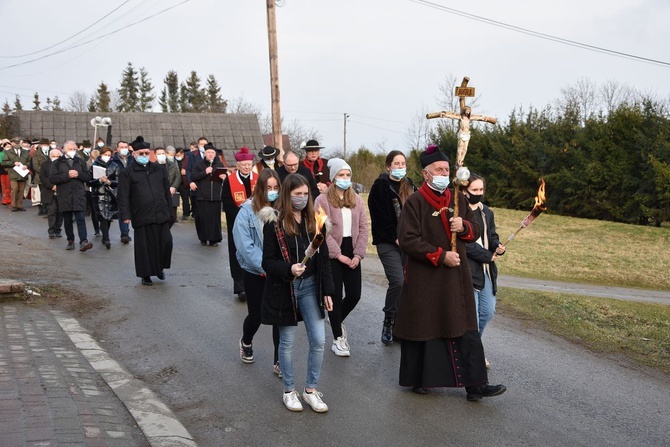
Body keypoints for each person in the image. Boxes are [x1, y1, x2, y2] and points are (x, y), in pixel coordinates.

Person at [394, 144, 506, 401]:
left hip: (456, 277)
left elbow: (475, 230)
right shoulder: (415, 202)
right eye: (439, 169)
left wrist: (463, 225)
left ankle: (476, 384)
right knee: (427, 326)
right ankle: (422, 379)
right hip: (426, 278)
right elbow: (408, 240)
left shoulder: (457, 199)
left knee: (465, 325)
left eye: (447, 169)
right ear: (426, 173)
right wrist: (441, 255)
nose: (444, 173)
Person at [260, 173, 335, 412]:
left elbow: (323, 261)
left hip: (311, 287)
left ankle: (310, 390)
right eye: (296, 195)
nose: (302, 198)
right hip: (286, 287)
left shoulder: (315, 220)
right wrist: (289, 268)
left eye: (305, 194)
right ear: (287, 195)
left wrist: (328, 291)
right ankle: (289, 390)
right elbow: (268, 262)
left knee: (319, 340)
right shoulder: (275, 222)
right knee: (288, 342)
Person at [314, 158, 368, 357]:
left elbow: (363, 228)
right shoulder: (322, 200)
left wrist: (358, 254)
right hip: (331, 251)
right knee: (334, 296)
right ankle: (338, 339)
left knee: (354, 294)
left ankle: (335, 318)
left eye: (348, 175)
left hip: (352, 247)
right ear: (333, 177)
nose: (345, 179)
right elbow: (321, 231)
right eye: (341, 175)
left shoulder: (357, 199)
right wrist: (338, 255)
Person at [233, 169, 281, 375]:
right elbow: (245, 246)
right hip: (255, 272)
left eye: (276, 188)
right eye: (268, 188)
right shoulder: (246, 211)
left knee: (280, 317)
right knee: (257, 315)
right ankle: (246, 341)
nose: (272, 192)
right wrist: (264, 267)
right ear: (260, 188)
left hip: (278, 273)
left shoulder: (282, 209)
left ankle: (280, 360)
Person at [368, 150, 417, 345]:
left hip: (409, 244)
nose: (400, 167)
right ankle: (388, 321)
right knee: (398, 281)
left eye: (403, 163)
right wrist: (395, 237)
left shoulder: (410, 185)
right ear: (388, 166)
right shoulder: (380, 187)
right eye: (396, 164)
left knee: (409, 284)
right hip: (388, 243)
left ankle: (401, 326)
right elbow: (379, 218)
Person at [117, 138, 173, 286]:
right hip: (142, 214)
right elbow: (123, 196)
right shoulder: (127, 173)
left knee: (165, 242)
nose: (144, 155)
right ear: (134, 154)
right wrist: (126, 215)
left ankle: (159, 268)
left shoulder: (158, 169)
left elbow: (166, 191)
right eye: (141, 153)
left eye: (147, 153)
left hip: (160, 213)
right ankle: (146, 274)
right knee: (145, 247)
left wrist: (170, 209)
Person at [464, 173, 505, 368]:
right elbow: (465, 244)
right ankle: (473, 354)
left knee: (487, 311)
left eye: (481, 190)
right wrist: (486, 255)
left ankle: (473, 349)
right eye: (475, 190)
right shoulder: (459, 213)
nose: (479, 194)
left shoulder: (486, 212)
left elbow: (492, 234)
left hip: (487, 269)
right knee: (471, 316)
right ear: (465, 191)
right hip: (468, 269)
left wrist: (497, 246)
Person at [222, 146, 257, 301]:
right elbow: (227, 201)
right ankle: (240, 286)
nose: (246, 166)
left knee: (255, 251)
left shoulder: (258, 178)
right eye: (243, 164)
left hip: (257, 222)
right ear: (237, 165)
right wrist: (242, 217)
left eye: (249, 164)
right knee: (237, 251)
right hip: (236, 222)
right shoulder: (229, 180)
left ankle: (255, 284)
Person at [48, 140, 93, 252]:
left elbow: (87, 177)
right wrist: (66, 175)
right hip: (64, 194)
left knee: (80, 218)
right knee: (67, 220)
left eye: (74, 149)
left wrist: (79, 175)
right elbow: (52, 178)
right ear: (64, 149)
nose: (72, 151)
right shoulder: (57, 163)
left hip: (78, 194)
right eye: (70, 149)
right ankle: (70, 240)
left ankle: (83, 241)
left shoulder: (80, 161)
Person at [191, 143, 227, 246]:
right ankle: (203, 238)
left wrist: (224, 178)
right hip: (203, 196)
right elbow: (193, 177)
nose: (210, 154)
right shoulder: (199, 164)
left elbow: (225, 179)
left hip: (215, 196)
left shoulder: (219, 165)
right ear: (205, 154)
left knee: (214, 219)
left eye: (212, 152)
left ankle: (214, 239)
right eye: (208, 152)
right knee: (203, 218)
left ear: (215, 154)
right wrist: (205, 172)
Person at [88, 146, 121, 249]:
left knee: (109, 216)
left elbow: (118, 180)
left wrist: (109, 182)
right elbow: (89, 181)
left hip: (110, 194)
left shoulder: (114, 166)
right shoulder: (94, 166)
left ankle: (105, 236)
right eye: (105, 155)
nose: (107, 157)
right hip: (98, 194)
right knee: (102, 216)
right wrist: (99, 181)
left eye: (109, 155)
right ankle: (106, 238)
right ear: (101, 155)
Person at [111, 140, 133, 244]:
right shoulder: (113, 160)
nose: (123, 149)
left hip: (133, 187)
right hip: (119, 188)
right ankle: (124, 233)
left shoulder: (133, 159)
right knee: (122, 210)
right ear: (117, 149)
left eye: (125, 146)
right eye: (121, 147)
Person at [1, 137, 31, 211]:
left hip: (22, 173)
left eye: (18, 143)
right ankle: (13, 205)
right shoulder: (8, 152)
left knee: (21, 190)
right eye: (15, 143)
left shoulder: (25, 152)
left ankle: (19, 205)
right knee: (14, 189)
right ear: (12, 143)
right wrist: (13, 163)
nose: (17, 144)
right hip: (13, 173)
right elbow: (4, 162)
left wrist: (26, 165)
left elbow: (29, 161)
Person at [39, 148, 63, 238]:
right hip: (49, 191)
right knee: (52, 210)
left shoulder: (63, 165)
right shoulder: (45, 164)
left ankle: (58, 229)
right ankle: (51, 230)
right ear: (50, 156)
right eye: (54, 156)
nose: (56, 158)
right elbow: (42, 177)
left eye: (58, 156)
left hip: (61, 191)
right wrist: (52, 186)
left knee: (60, 211)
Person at [156, 146, 181, 227]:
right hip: (159, 195)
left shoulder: (172, 165)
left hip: (171, 193)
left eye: (163, 153)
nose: (161, 155)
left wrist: (174, 186)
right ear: (155, 155)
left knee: (172, 217)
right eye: (159, 154)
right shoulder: (152, 166)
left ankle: (165, 230)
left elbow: (178, 177)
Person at [30, 138, 50, 216]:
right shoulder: (36, 154)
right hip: (40, 177)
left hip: (51, 176)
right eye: (44, 145)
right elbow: (35, 166)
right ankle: (42, 208)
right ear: (41, 145)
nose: (46, 146)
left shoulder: (52, 152)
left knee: (49, 193)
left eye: (47, 145)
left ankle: (48, 208)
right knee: (42, 193)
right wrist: (44, 172)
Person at [175, 147, 192, 220]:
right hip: (175, 182)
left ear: (182, 153)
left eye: (178, 155)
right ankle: (173, 215)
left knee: (185, 199)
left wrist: (186, 172)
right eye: (176, 156)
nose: (177, 157)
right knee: (174, 200)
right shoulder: (174, 160)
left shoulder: (188, 160)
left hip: (184, 183)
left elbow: (192, 169)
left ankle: (186, 213)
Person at [0, 139, 13, 206]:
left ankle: (10, 198)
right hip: (3, 172)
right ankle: (5, 199)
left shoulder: (13, 154)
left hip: (12, 171)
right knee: (4, 185)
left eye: (10, 146)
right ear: (4, 147)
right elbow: (1, 162)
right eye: (7, 147)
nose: (9, 148)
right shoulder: (1, 153)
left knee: (10, 186)